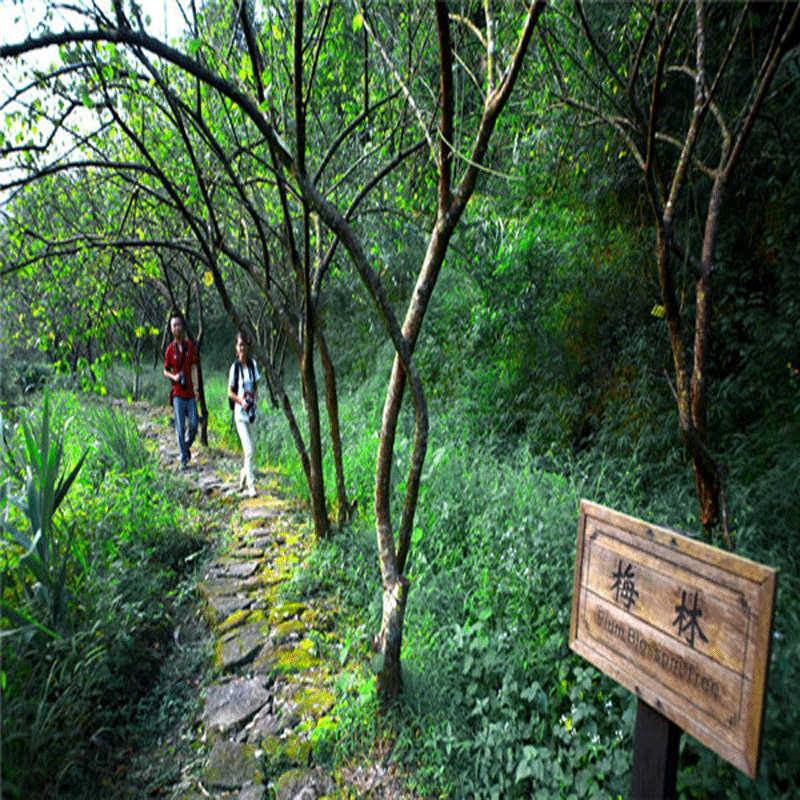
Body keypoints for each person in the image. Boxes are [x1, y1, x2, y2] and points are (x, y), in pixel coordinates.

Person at [163, 313, 199, 470]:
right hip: (177, 393)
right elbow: (165, 370)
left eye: (179, 324)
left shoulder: (189, 346)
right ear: (171, 329)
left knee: (193, 425)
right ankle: (184, 459)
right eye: (174, 325)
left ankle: (185, 447)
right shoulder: (170, 349)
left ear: (182, 326)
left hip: (190, 393)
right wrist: (174, 377)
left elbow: (195, 366)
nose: (177, 328)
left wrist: (198, 388)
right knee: (180, 427)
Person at [227, 331, 260, 497]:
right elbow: (230, 392)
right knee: (248, 450)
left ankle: (243, 474)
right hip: (240, 415)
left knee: (252, 450)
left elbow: (256, 386)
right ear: (236, 347)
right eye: (240, 344)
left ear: (248, 347)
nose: (242, 348)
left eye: (245, 345)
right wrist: (241, 402)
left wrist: (254, 400)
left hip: (252, 414)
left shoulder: (253, 365)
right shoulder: (235, 368)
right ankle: (251, 486)